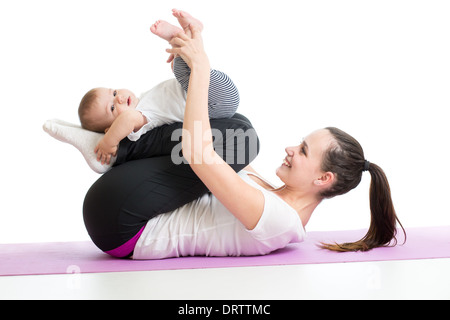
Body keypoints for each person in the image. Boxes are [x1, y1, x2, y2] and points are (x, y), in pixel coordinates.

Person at [82, 11, 405, 260]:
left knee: (241, 139)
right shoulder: (268, 191)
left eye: (304, 150)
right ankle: (124, 136)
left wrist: (202, 68)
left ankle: (122, 142)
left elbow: (198, 154)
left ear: (324, 178)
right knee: (237, 129)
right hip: (123, 205)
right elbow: (207, 132)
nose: (291, 149)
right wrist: (194, 55)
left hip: (122, 225)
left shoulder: (279, 221)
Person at [78, 9, 239, 165]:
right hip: (213, 103)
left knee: (181, 65)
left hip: (215, 92)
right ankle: (188, 32)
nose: (119, 98)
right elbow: (127, 119)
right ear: (111, 128)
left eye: (113, 92)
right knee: (181, 67)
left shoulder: (145, 99)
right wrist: (109, 142)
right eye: (112, 107)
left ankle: (186, 34)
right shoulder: (141, 118)